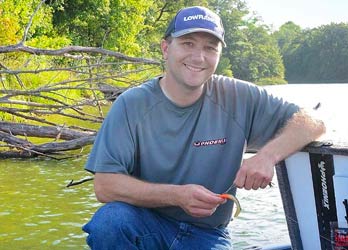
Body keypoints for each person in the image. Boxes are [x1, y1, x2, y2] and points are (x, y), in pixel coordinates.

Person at [82, 5, 325, 250]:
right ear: (166, 48)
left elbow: (314, 122)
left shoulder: (238, 96)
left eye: (210, 47)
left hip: (208, 235)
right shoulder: (131, 104)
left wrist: (267, 156)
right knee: (109, 222)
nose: (199, 57)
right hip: (145, 224)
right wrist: (177, 196)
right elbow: (105, 186)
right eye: (188, 43)